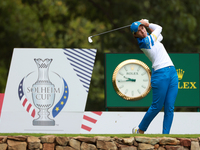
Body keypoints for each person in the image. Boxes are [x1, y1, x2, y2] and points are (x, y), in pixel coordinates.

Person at [130, 19, 178, 134]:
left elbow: (158, 34)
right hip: (160, 74)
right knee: (156, 106)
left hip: (172, 72)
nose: (142, 31)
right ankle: (140, 130)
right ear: (135, 35)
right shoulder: (145, 42)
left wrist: (146, 25)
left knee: (169, 107)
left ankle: (165, 136)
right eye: (139, 31)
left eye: (142, 28)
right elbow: (159, 28)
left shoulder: (152, 39)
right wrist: (147, 23)